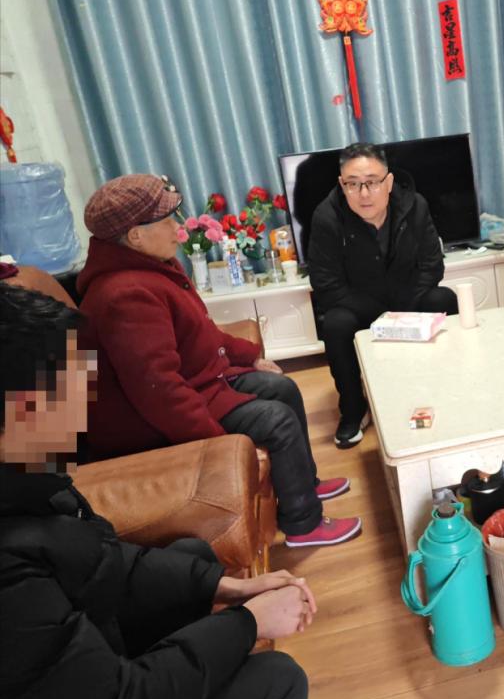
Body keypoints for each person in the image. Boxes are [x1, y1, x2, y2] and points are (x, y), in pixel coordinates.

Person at [0, 283, 312, 699]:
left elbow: (101, 559)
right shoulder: (11, 574)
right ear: (25, 410)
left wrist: (228, 587)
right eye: (72, 391)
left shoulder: (30, 477)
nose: (85, 410)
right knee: (277, 683)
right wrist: (247, 624)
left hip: (81, 666)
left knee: (194, 559)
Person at [77, 174, 360, 548]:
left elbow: (200, 333)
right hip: (148, 422)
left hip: (198, 383)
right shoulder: (124, 295)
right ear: (135, 236)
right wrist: (218, 445)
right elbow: (159, 392)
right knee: (275, 420)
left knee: (281, 388)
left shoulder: (152, 269)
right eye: (167, 220)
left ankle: (303, 485)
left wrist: (249, 356)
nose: (177, 228)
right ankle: (303, 526)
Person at [308, 142, 457, 449]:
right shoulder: (326, 217)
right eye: (353, 184)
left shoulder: (415, 206)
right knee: (335, 323)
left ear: (388, 182)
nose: (364, 193)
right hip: (359, 308)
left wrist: (404, 311)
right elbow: (326, 284)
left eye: (372, 182)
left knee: (442, 298)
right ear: (342, 185)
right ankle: (353, 408)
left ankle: (447, 388)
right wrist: (381, 318)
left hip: (408, 300)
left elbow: (432, 265)